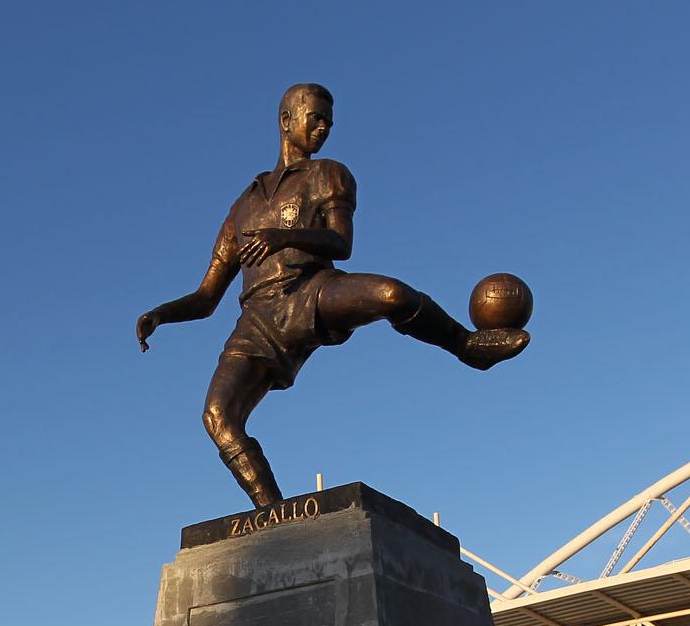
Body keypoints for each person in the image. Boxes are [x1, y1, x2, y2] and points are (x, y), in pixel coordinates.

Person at [136, 83, 530, 509]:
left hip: (312, 291)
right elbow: (208, 295)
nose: (323, 127)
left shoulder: (329, 174)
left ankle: (466, 345)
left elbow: (341, 244)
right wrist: (161, 314)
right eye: (315, 118)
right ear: (286, 122)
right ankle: (272, 513)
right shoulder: (242, 207)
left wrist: (282, 237)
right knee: (217, 416)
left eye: (328, 121)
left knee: (392, 294)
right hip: (258, 319)